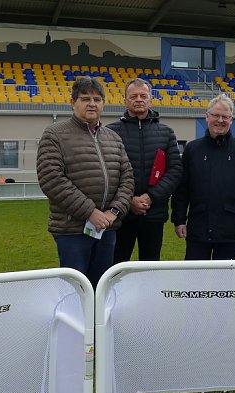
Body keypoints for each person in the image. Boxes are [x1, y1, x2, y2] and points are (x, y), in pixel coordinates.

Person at [36, 76, 134, 288]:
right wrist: (91, 212)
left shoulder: (113, 138)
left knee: (101, 288)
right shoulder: (55, 134)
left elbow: (127, 178)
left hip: (107, 229)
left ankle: (98, 322)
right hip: (72, 230)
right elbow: (51, 179)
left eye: (97, 99)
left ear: (103, 103)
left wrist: (113, 212)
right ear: (73, 103)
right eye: (85, 98)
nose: (92, 103)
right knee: (76, 290)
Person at [171, 93, 235, 260]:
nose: (220, 120)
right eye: (216, 115)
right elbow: (182, 189)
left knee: (224, 282)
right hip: (198, 227)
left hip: (231, 229)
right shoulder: (193, 149)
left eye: (225, 117)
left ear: (231, 119)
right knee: (194, 279)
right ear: (207, 116)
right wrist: (179, 219)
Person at [106, 78, 182, 263]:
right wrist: (128, 200)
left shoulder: (166, 132)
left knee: (150, 266)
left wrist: (150, 197)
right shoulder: (110, 132)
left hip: (153, 214)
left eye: (143, 96)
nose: (138, 99)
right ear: (125, 100)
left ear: (150, 99)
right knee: (116, 266)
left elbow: (175, 170)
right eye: (133, 96)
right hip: (121, 214)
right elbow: (108, 171)